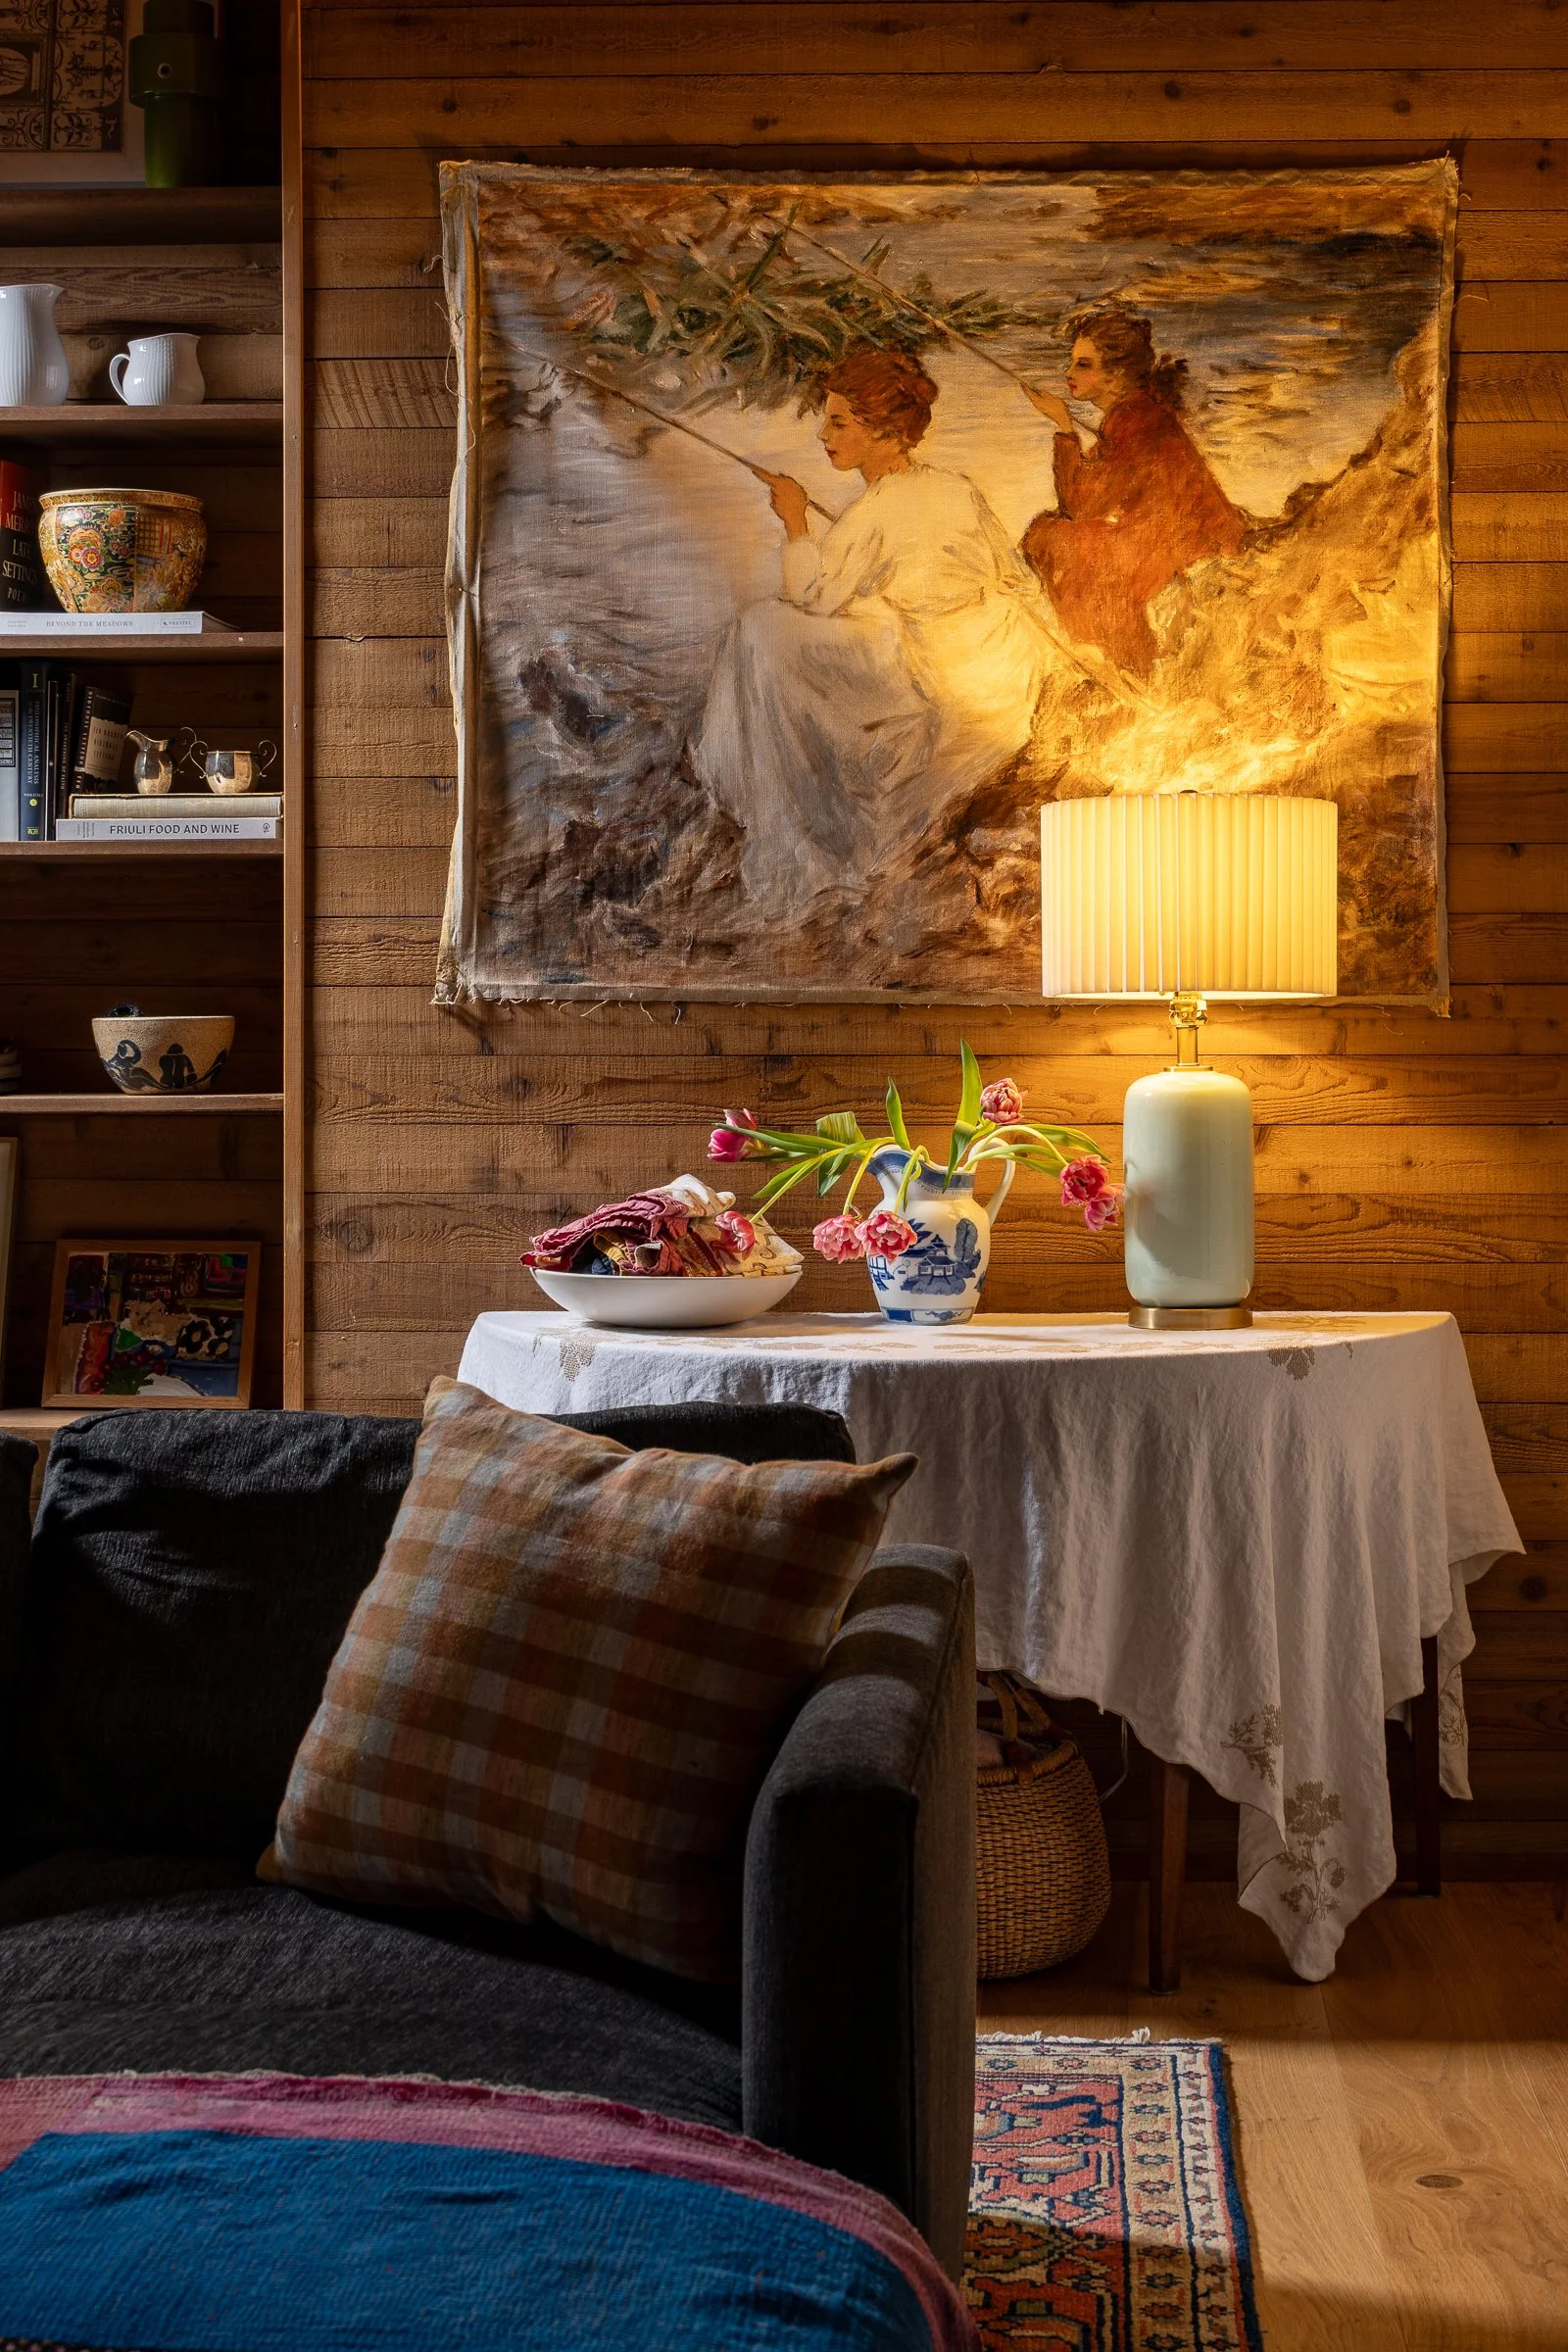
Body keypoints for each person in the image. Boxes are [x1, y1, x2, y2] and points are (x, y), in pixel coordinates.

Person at [693, 348, 1052, 912]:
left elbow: (812, 596)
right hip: (1002, 660)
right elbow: (1015, 578)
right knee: (797, 628)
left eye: (839, 421)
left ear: (884, 431)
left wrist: (795, 519)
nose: (822, 434)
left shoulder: (876, 512)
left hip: (939, 674)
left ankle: (795, 812)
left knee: (761, 630)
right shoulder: (955, 486)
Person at [1020, 311, 1245, 677]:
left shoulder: (1135, 417)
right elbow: (1100, 484)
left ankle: (1128, 663)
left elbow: (1082, 505)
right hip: (1172, 535)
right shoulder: (1134, 412)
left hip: (1181, 544)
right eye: (1072, 362)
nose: (1068, 374)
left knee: (1052, 540)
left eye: (1083, 364)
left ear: (1117, 374)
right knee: (1050, 534)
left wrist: (1064, 427)